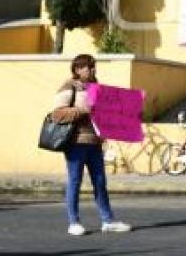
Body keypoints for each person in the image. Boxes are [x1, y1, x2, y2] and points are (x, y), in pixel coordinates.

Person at [52, 54, 131, 236]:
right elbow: (57, 114)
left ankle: (108, 220)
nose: (93, 70)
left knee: (100, 182)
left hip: (95, 143)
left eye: (94, 66)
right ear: (78, 69)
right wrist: (82, 110)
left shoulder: (96, 86)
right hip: (75, 143)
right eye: (89, 67)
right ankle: (74, 222)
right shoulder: (69, 86)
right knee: (75, 182)